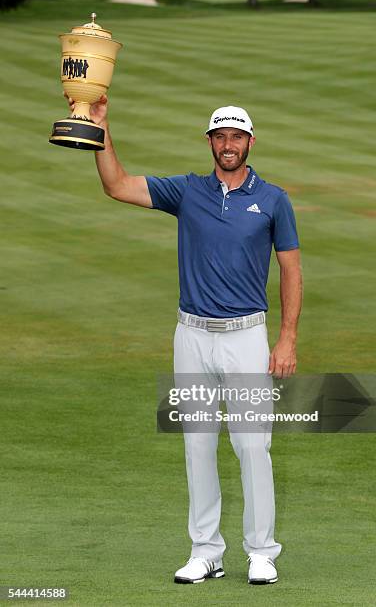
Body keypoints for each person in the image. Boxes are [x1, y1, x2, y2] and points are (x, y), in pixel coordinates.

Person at [66, 96, 302, 585]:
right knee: (197, 445)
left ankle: (261, 551)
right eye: (220, 136)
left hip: (246, 336)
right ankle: (205, 551)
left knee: (252, 446)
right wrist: (101, 129)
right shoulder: (187, 191)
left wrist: (287, 339)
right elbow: (116, 184)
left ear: (250, 142)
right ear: (211, 142)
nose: (228, 144)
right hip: (191, 335)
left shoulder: (274, 199)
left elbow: (291, 270)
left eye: (237, 136)